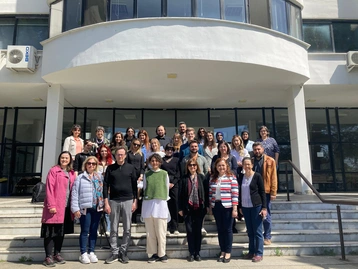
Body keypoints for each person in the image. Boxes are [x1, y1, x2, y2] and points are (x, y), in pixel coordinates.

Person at [40, 151, 76, 267]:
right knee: (50, 232)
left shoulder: (71, 173)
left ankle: (57, 254)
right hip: (55, 207)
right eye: (62, 157)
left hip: (66, 207)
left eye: (67, 158)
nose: (64, 160)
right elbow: (49, 189)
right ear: (59, 159)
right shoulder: (54, 170)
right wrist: (51, 205)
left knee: (61, 232)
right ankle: (48, 256)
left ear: (70, 160)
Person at [103, 146, 138, 264]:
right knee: (113, 228)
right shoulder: (110, 168)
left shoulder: (131, 168)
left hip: (128, 200)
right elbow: (105, 185)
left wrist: (135, 201)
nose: (120, 156)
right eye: (118, 154)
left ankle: (123, 251)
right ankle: (114, 252)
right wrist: (106, 202)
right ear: (115, 155)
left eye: (122, 154)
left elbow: (134, 186)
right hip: (113, 200)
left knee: (127, 228)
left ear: (125, 155)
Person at [71, 156, 104, 264]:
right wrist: (75, 208)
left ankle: (91, 251)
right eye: (89, 163)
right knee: (85, 231)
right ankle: (83, 253)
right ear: (85, 164)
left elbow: (103, 191)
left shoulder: (99, 177)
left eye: (94, 164)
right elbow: (75, 193)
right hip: (85, 208)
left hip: (97, 207)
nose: (91, 165)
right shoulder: (80, 177)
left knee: (94, 231)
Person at [141, 154, 170, 263]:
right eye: (152, 161)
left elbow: (166, 189)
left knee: (161, 232)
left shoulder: (164, 174)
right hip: (148, 205)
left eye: (156, 161)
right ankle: (152, 253)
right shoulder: (147, 174)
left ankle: (162, 254)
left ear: (160, 162)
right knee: (150, 233)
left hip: (161, 205)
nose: (154, 163)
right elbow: (144, 188)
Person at [208, 158, 238, 263]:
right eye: (219, 165)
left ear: (226, 166)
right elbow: (210, 193)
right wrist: (211, 207)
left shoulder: (231, 177)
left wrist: (235, 208)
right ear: (216, 167)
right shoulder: (212, 178)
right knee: (220, 230)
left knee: (228, 229)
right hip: (216, 206)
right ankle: (222, 251)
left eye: (223, 165)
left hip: (228, 207)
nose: (221, 167)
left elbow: (235, 193)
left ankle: (228, 251)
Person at [179, 158, 208, 262]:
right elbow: (180, 194)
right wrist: (180, 208)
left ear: (197, 167)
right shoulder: (184, 178)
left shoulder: (202, 177)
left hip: (199, 208)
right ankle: (191, 253)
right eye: (190, 165)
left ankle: (197, 253)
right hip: (187, 208)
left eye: (194, 165)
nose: (192, 167)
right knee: (190, 231)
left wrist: (207, 206)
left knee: (198, 231)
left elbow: (206, 192)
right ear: (187, 167)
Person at [239, 157, 267, 263]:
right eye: (245, 164)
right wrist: (240, 206)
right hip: (245, 207)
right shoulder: (241, 177)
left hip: (256, 206)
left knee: (258, 231)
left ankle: (259, 253)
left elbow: (262, 192)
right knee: (250, 231)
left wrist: (264, 208)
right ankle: (251, 252)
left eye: (248, 164)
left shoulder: (257, 176)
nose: (247, 166)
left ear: (252, 165)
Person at [252, 142, 277, 246]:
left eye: (259, 149)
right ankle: (257, 234)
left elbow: (274, 177)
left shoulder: (270, 161)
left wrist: (273, 192)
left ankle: (267, 236)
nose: (257, 151)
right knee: (255, 214)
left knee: (266, 214)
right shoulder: (252, 161)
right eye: (255, 150)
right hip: (254, 191)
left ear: (262, 149)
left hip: (266, 191)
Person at [161, 143, 180, 234]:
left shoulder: (176, 160)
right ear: (165, 150)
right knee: (166, 206)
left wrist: (173, 183)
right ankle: (168, 226)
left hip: (174, 185)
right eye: (168, 149)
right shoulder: (161, 160)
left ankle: (175, 227)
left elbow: (178, 173)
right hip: (164, 184)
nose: (169, 151)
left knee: (174, 205)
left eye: (171, 149)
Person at [127, 138, 145, 223]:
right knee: (131, 196)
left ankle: (137, 215)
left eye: (138, 145)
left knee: (137, 196)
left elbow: (142, 167)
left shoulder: (141, 154)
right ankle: (131, 217)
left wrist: (141, 175)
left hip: (138, 177)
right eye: (135, 144)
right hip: (130, 177)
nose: (136, 146)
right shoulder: (128, 154)